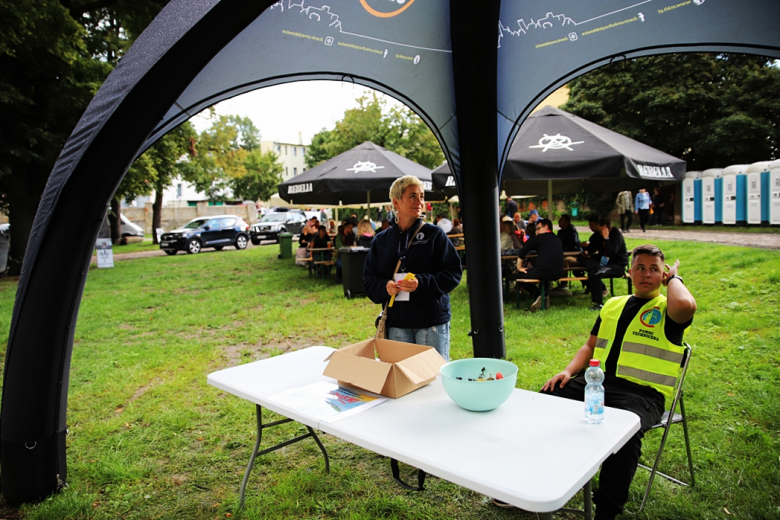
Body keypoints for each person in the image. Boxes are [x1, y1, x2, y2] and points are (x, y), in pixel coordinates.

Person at [541, 244, 696, 520]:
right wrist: (567, 372)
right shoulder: (613, 304)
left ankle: (607, 511)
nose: (646, 273)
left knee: (622, 435)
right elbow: (590, 346)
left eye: (654, 269)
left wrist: (675, 279)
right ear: (628, 272)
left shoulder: (668, 308)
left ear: (663, 276)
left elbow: (685, 305)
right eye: (640, 267)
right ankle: (542, 482)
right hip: (597, 383)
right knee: (542, 402)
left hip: (642, 395)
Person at [363, 175, 462, 361]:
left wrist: (421, 283)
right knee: (400, 380)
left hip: (431, 323)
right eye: (413, 196)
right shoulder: (381, 241)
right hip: (397, 325)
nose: (420, 202)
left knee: (433, 380)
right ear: (396, 202)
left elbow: (453, 273)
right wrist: (385, 287)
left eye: (422, 196)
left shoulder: (434, 235)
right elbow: (369, 281)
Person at [514, 218, 564, 311]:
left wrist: (519, 267)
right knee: (544, 274)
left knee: (519, 276)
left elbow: (524, 249)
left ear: (546, 227)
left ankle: (539, 295)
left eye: (538, 228)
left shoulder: (539, 238)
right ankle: (544, 295)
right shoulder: (557, 239)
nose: (537, 231)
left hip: (543, 272)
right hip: (558, 273)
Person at [585, 217, 628, 311]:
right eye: (599, 230)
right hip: (604, 262)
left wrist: (607, 238)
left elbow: (612, 252)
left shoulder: (616, 235)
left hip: (617, 265)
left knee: (595, 273)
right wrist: (587, 251)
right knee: (592, 270)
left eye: (602, 230)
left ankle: (599, 303)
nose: (600, 232)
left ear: (609, 228)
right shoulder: (599, 235)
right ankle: (598, 303)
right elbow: (593, 247)